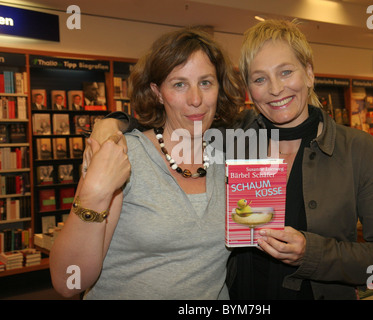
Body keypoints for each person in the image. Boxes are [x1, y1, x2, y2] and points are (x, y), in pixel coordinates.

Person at [87, 20, 373, 300]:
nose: (275, 89)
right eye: (259, 79)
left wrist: (310, 252)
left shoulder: (359, 150)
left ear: (309, 74)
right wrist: (112, 123)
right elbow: (173, 114)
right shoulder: (231, 135)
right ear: (249, 90)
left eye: (286, 72)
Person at [49, 28, 244, 299]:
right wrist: (94, 195)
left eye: (205, 83)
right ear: (158, 92)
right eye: (179, 84)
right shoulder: (121, 156)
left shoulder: (232, 159)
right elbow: (69, 282)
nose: (196, 99)